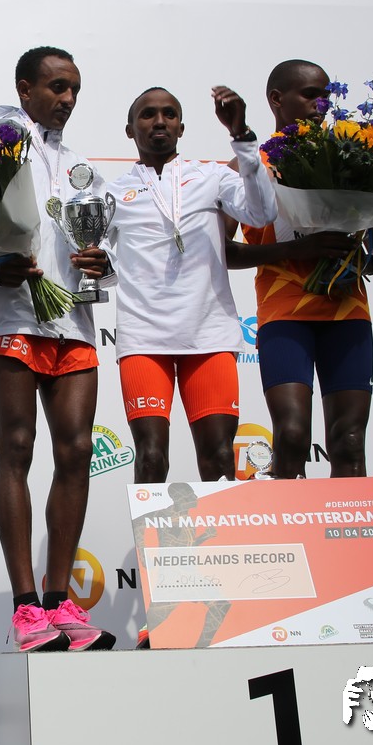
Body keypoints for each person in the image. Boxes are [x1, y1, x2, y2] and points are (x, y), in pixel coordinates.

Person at [0, 46, 114, 652]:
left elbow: (109, 243)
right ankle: (26, 608)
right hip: (11, 314)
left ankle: (59, 601)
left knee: (77, 451)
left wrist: (103, 260)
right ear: (24, 89)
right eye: (56, 87)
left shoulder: (83, 168)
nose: (67, 99)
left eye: (75, 89)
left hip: (72, 318)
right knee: (18, 446)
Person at [228, 59, 373, 478]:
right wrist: (297, 250)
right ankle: (292, 519)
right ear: (276, 99)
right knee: (291, 435)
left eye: (326, 95)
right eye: (310, 94)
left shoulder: (351, 157)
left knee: (349, 440)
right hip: (284, 311)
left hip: (347, 310)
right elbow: (223, 253)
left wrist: (369, 260)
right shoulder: (247, 167)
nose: (321, 104)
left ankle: (349, 524)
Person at [105, 85, 274, 485]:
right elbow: (102, 262)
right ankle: (154, 532)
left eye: (169, 114)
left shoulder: (212, 176)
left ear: (181, 128)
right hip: (145, 339)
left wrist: (242, 138)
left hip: (208, 335)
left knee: (219, 458)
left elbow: (262, 212)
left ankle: (217, 532)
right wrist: (99, 266)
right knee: (150, 459)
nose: (159, 121)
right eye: (147, 114)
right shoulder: (111, 192)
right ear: (130, 130)